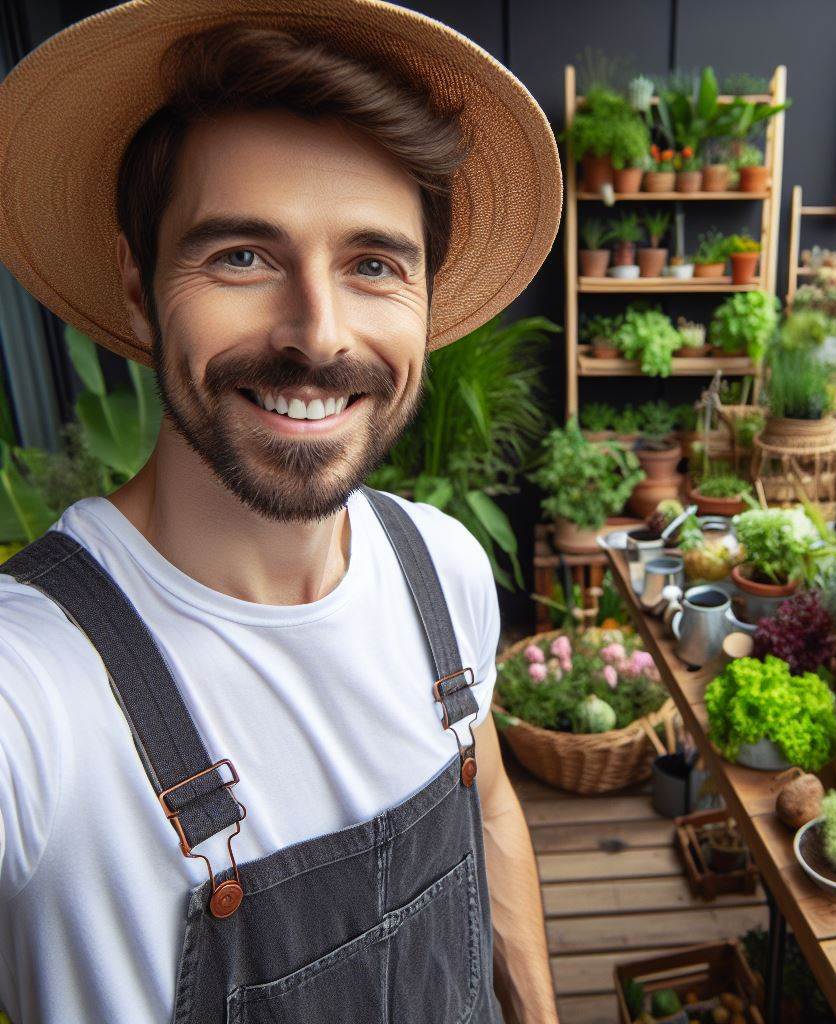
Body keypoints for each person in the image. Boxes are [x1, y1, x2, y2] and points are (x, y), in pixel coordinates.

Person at [0, 2, 563, 1022]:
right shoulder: (35, 687)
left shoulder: (444, 568)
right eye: (242, 256)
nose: (316, 332)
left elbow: (487, 802)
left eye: (374, 264)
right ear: (137, 286)